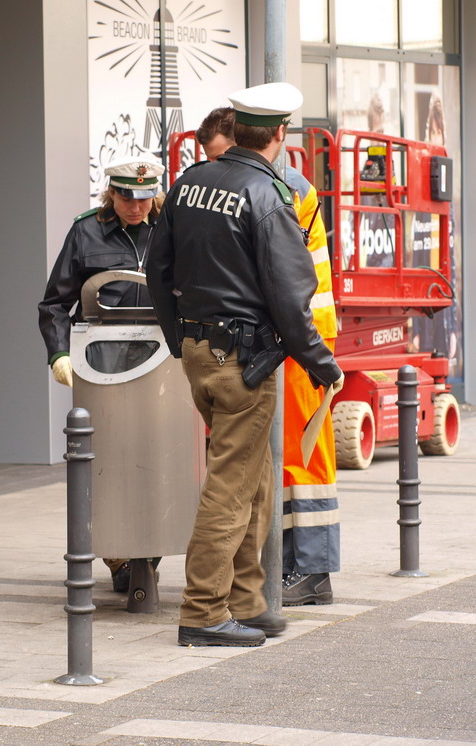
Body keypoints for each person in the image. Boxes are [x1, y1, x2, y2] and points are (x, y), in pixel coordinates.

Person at [147, 82, 342, 647]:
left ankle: (247, 599)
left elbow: (159, 273)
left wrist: (179, 338)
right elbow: (290, 294)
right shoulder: (268, 194)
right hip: (245, 362)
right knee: (231, 490)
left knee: (255, 480)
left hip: (200, 353)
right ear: (280, 133)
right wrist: (320, 362)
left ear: (235, 130)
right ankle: (204, 611)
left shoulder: (188, 184)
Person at [194, 107, 341, 607]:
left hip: (300, 335)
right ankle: (275, 568)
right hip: (279, 335)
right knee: (268, 462)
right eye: (213, 158)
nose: (220, 165)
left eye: (221, 154)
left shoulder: (287, 190)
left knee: (305, 456)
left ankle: (313, 568)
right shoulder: (255, 185)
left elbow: (284, 280)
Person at [37, 153, 165, 592]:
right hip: (105, 358)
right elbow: (55, 303)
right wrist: (58, 353)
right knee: (108, 460)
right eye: (128, 198)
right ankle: (117, 556)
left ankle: (149, 550)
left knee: (157, 455)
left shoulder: (169, 227)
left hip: (163, 359)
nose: (137, 207)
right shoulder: (86, 230)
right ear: (111, 193)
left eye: (145, 198)